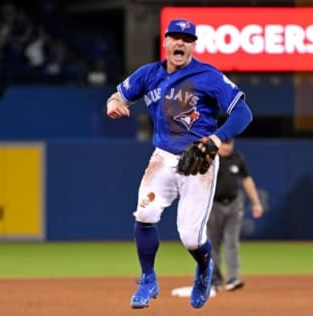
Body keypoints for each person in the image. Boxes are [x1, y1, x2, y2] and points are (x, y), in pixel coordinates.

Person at [106, 18, 253, 309]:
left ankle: (204, 269)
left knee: (191, 238)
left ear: (193, 45)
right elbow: (117, 96)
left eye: (187, 39)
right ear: (166, 42)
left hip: (199, 160)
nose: (180, 42)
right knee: (144, 215)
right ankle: (148, 279)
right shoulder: (149, 74)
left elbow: (243, 113)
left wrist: (217, 138)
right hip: (163, 156)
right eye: (175, 37)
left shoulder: (208, 76)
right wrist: (113, 102)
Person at [207, 139, 264, 292]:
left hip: (233, 204)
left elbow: (247, 179)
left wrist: (256, 202)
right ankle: (214, 280)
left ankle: (233, 278)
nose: (226, 146)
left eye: (229, 143)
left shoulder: (237, 158)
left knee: (232, 242)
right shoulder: (209, 158)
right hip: (213, 205)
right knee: (212, 244)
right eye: (224, 143)